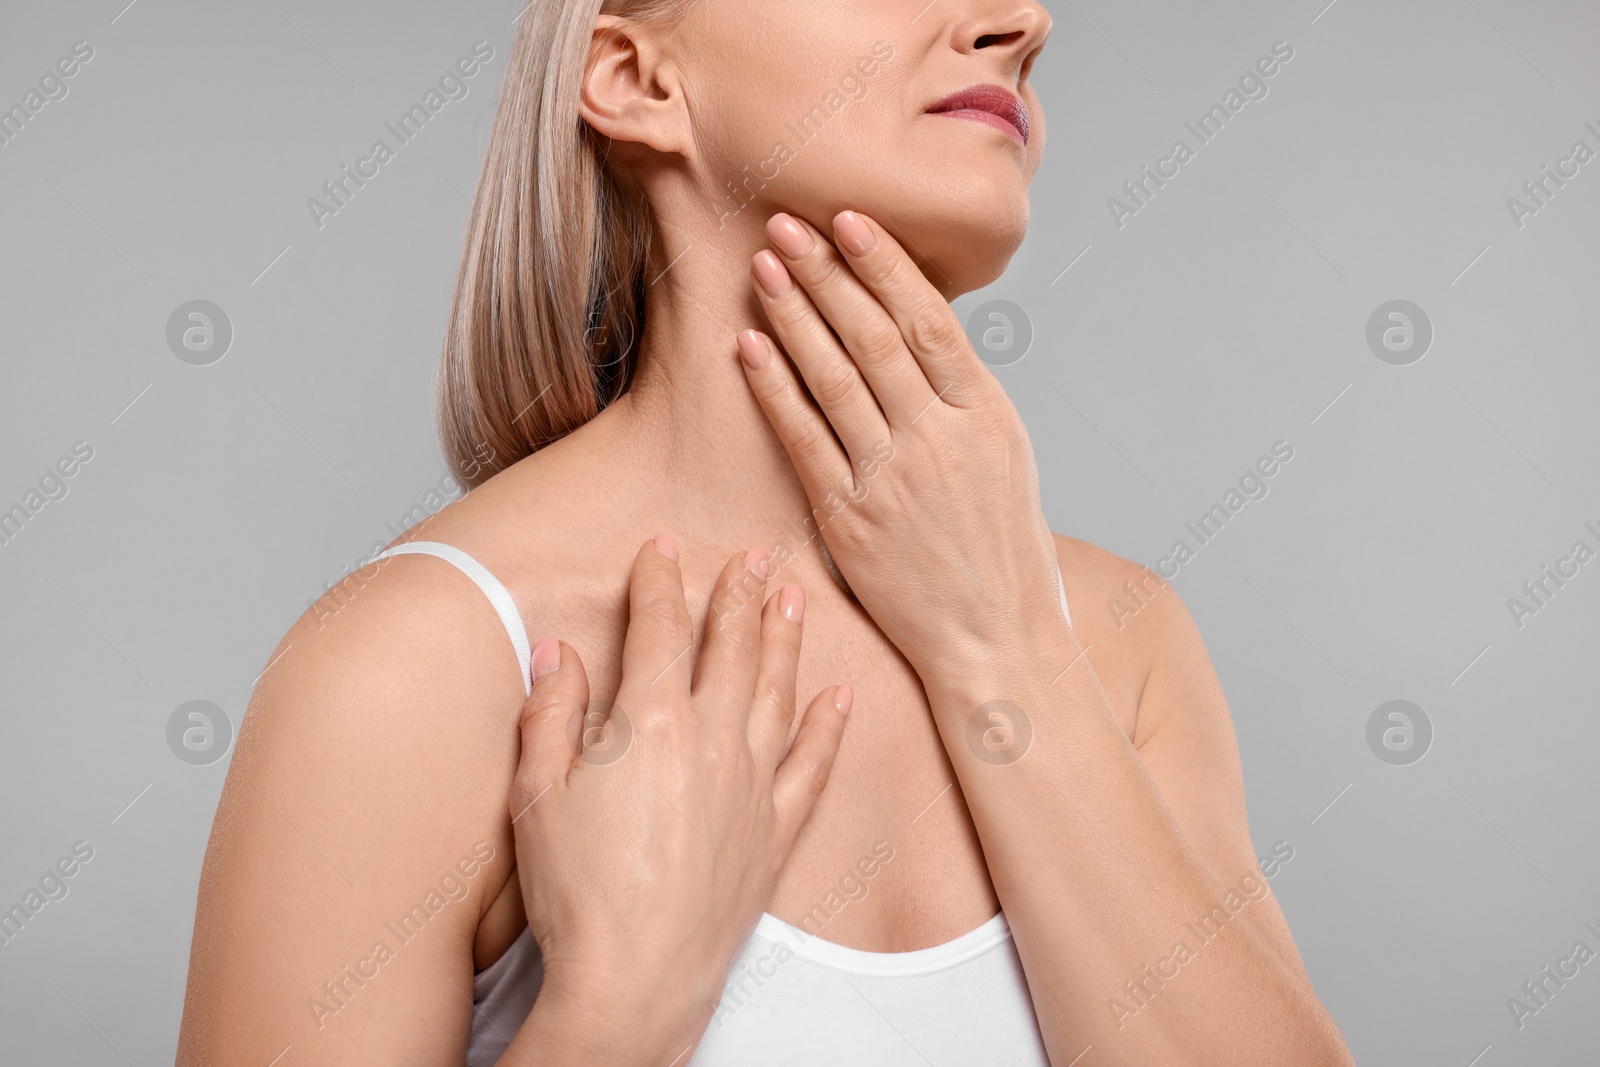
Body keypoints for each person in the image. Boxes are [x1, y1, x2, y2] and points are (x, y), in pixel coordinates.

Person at [177, 1, 1354, 1064]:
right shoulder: (410, 673)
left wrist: (1004, 649)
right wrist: (614, 1011)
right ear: (636, 79)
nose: (1023, 21)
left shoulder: (1123, 643)